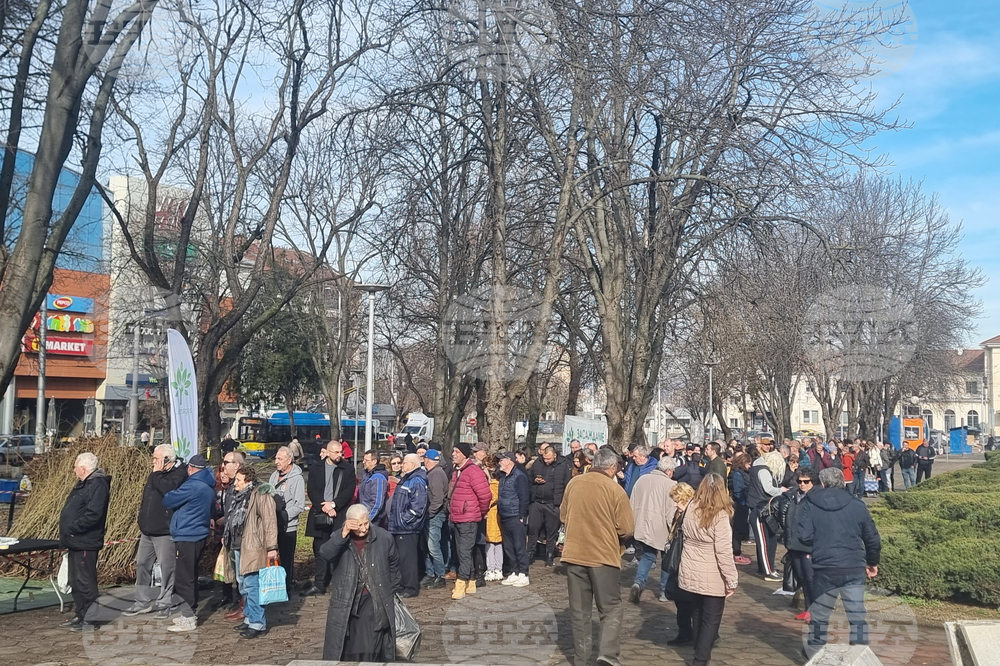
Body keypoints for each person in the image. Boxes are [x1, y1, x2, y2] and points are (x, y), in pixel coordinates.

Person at [560, 447, 635, 666]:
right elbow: (627, 528)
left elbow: (563, 515)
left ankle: (581, 660)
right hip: (603, 557)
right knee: (610, 608)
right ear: (612, 468)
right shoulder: (614, 490)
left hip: (574, 554)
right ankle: (607, 655)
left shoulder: (574, 484)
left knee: (579, 612)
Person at [798, 467, 881, 658]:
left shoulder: (811, 503)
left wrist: (820, 544)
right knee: (857, 615)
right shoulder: (857, 504)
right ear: (843, 482)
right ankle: (859, 655)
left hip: (824, 566)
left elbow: (803, 536)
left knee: (820, 615)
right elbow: (872, 538)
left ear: (823, 483)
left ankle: (815, 654)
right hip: (853, 566)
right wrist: (872, 562)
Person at [321, 503, 401, 662]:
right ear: (349, 523)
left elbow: (394, 565)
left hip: (374, 598)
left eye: (366, 523)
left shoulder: (383, 537)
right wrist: (342, 534)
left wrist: (389, 590)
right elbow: (325, 553)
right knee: (345, 642)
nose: (364, 528)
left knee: (370, 643)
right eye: (359, 525)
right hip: (346, 599)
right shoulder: (341, 537)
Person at [678, 473, 738, 666]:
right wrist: (732, 579)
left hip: (690, 566)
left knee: (697, 612)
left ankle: (699, 649)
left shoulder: (690, 508)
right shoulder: (720, 516)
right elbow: (724, 552)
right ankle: (701, 658)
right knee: (711, 620)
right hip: (712, 573)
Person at [124, 444, 187, 617]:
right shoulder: (155, 474)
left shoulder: (179, 473)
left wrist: (157, 473)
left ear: (167, 460)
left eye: (156, 458)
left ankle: (165, 602)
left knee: (167, 568)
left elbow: (168, 490)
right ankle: (141, 601)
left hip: (164, 530)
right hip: (147, 529)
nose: (153, 461)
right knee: (142, 564)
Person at [162, 453, 216, 632]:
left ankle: (188, 616)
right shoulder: (208, 485)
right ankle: (188, 614)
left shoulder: (193, 485)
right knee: (190, 574)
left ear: (191, 469)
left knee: (184, 577)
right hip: (197, 534)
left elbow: (168, 499)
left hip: (187, 535)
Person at [58, 452, 111, 631]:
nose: (73, 470)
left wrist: (74, 528)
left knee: (85, 581)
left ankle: (91, 619)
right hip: (74, 541)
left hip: (85, 540)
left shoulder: (97, 485)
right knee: (75, 581)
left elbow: (94, 513)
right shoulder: (84, 484)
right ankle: (81, 613)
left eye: (75, 467)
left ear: (83, 468)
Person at [225, 465, 279, 639]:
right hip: (239, 545)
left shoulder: (260, 495)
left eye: (239, 480)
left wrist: (272, 547)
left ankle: (257, 622)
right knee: (244, 585)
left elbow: (270, 522)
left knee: (252, 585)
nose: (235, 484)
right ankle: (249, 618)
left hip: (253, 547)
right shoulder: (239, 496)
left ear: (248, 480)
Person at [304, 440, 357, 596]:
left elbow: (349, 490)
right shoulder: (316, 468)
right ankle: (320, 584)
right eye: (336, 452)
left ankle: (338, 583)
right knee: (320, 549)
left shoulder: (347, 469)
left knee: (338, 547)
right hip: (320, 514)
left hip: (338, 514)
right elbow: (312, 490)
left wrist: (334, 505)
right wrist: (324, 506)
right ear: (327, 452)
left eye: (341, 452)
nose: (339, 455)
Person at [628, 455, 677, 603]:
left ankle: (638, 582)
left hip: (642, 525)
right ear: (668, 471)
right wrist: (673, 530)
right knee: (666, 559)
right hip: (661, 528)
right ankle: (664, 591)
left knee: (648, 556)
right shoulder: (670, 485)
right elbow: (671, 512)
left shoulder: (642, 479)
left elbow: (632, 502)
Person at [448, 442, 492, 599]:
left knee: (465, 552)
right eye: (453, 451)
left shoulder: (473, 471)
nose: (453, 454)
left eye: (457, 452)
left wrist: (480, 512)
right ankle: (471, 581)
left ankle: (461, 583)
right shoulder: (457, 471)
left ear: (464, 454)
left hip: (469, 517)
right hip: (458, 517)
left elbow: (486, 495)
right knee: (463, 551)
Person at [778, 469, 817, 622]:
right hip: (793, 544)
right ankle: (807, 608)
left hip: (808, 546)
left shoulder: (815, 498)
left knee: (810, 578)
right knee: (801, 577)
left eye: (806, 481)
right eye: (800, 481)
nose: (802, 484)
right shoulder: (794, 496)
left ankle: (814, 610)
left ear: (812, 482)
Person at [388, 453, 428, 597]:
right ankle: (401, 585)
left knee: (408, 559)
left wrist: (404, 520)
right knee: (399, 559)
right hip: (398, 526)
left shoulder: (417, 481)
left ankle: (410, 588)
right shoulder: (406, 479)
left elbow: (418, 506)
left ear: (412, 464)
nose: (401, 465)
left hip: (407, 528)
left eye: (404, 463)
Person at [527, 444, 572, 567]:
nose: (546, 461)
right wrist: (535, 480)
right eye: (545, 458)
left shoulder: (563, 465)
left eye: (549, 459)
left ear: (555, 456)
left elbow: (566, 484)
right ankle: (530, 553)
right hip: (537, 501)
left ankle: (550, 556)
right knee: (533, 529)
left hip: (553, 503)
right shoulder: (538, 462)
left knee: (551, 532)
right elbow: (529, 477)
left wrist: (562, 502)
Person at [268, 446, 306, 590]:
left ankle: (286, 588)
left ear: (289, 460)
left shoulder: (297, 479)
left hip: (288, 527)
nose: (276, 462)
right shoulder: (273, 475)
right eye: (276, 458)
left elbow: (299, 505)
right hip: (272, 526)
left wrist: (283, 516)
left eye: (280, 459)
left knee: (286, 559)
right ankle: (273, 587)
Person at [662, 482, 696, 640]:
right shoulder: (680, 513)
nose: (675, 504)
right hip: (680, 563)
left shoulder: (693, 515)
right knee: (682, 601)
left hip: (689, 563)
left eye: (678, 500)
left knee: (690, 602)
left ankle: (692, 634)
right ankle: (685, 633)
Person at [746, 450, 785, 581]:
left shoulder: (757, 468)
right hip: (760, 510)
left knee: (770, 540)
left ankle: (765, 567)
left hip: (764, 509)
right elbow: (768, 488)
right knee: (764, 542)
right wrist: (782, 490)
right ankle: (768, 571)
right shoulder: (763, 470)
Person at [214, 451, 244, 612]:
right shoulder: (222, 488)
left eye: (227, 464)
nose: (224, 469)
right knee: (228, 567)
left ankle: (242, 603)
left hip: (238, 535)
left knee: (240, 571)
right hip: (226, 534)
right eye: (222, 467)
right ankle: (229, 597)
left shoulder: (240, 487)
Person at [497, 451, 531, 586]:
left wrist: (522, 515)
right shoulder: (503, 476)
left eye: (501, 460)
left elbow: (524, 497)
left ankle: (524, 573)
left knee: (519, 545)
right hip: (505, 515)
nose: (499, 463)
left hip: (516, 515)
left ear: (509, 461)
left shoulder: (519, 476)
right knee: (509, 547)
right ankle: (514, 571)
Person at [420, 449, 449, 589]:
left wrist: (429, 513)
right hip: (432, 514)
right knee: (427, 546)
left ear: (427, 460)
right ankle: (430, 574)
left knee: (433, 547)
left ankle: (440, 575)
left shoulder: (436, 474)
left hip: (435, 515)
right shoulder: (434, 472)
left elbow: (438, 499)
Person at [483, 456, 504, 581]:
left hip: (492, 514)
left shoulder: (493, 485)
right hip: (496, 514)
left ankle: (491, 569)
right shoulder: (499, 483)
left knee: (491, 542)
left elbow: (490, 499)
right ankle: (498, 568)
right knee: (497, 543)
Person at [728, 453, 752, 565]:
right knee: (737, 529)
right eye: (748, 463)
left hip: (743, 503)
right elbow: (738, 491)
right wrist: (743, 501)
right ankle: (736, 554)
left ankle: (737, 552)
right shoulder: (738, 474)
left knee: (739, 529)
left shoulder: (741, 473)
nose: (749, 466)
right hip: (739, 504)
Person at [359, 450, 390, 525]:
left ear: (374, 461)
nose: (363, 462)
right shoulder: (367, 475)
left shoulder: (378, 477)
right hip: (363, 514)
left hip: (374, 519)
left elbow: (377, 503)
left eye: (366, 460)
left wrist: (368, 519)